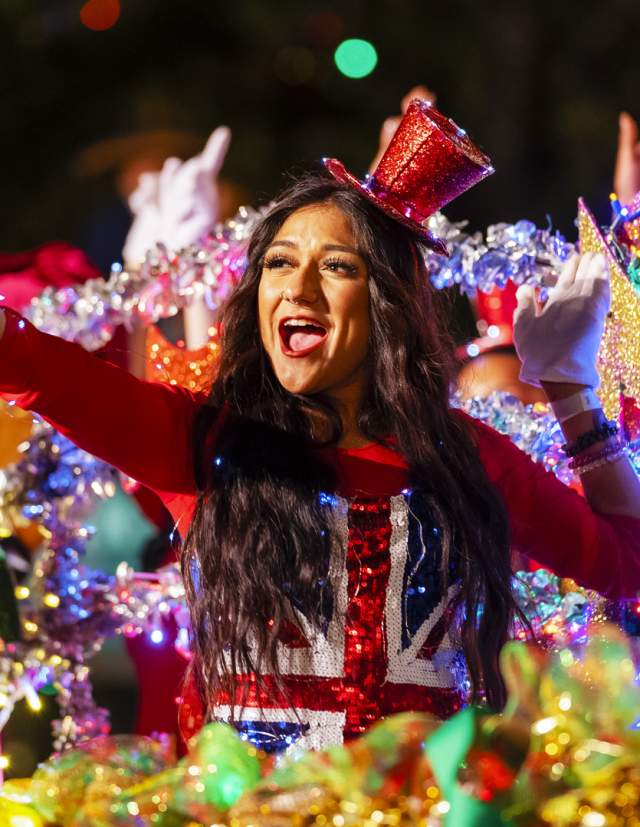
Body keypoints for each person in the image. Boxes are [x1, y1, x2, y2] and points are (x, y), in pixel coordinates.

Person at [1, 101, 639, 755]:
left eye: (336, 265)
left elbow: (629, 565)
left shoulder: (466, 457)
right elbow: (34, 365)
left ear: (387, 299)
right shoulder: (203, 441)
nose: (297, 286)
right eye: (278, 262)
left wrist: (571, 388)